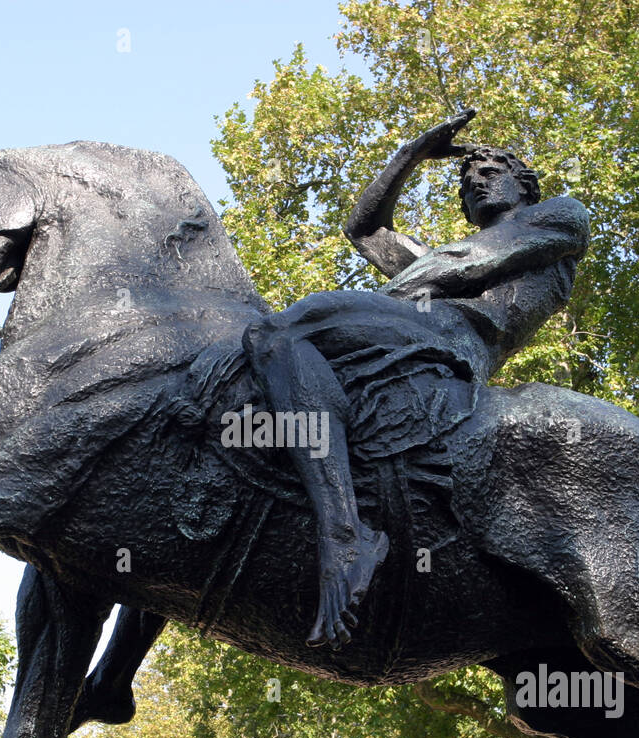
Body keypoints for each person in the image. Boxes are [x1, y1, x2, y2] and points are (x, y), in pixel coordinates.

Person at [241, 107, 590, 649]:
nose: (473, 180)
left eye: (489, 169)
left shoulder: (561, 217)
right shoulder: (428, 264)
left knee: (277, 337)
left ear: (524, 183)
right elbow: (365, 230)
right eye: (464, 179)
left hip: (452, 341)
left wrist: (372, 301)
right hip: (411, 324)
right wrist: (411, 155)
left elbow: (467, 263)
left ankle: (344, 532)